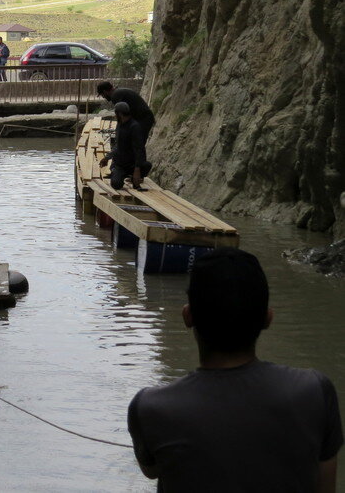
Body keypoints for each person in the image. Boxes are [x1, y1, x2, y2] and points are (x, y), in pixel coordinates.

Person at [127, 248, 342, 492]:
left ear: (188, 316)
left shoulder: (151, 408)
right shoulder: (315, 392)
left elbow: (151, 470)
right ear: (267, 319)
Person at [99, 101, 151, 189]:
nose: (115, 116)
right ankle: (116, 172)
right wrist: (107, 157)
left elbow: (139, 149)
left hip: (132, 163)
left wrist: (137, 169)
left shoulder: (134, 127)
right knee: (116, 184)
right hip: (120, 164)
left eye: (116, 113)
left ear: (120, 114)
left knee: (147, 165)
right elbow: (117, 146)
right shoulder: (119, 125)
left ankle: (134, 177)